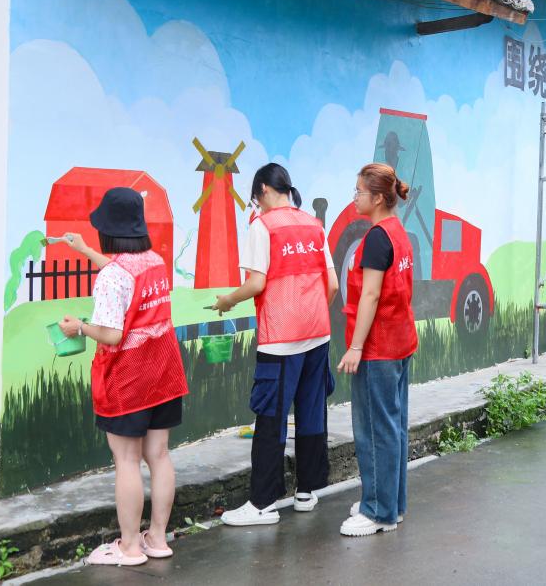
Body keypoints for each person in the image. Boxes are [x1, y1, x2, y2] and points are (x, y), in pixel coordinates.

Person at [56, 187, 188, 566]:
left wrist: (78, 327)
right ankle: (157, 539)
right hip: (163, 370)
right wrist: (84, 251)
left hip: (129, 377)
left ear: (109, 230)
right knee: (159, 455)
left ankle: (129, 547)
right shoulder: (155, 262)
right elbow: (122, 276)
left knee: (127, 461)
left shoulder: (113, 276)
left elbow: (112, 333)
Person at [213, 164, 337, 527]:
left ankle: (263, 502)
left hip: (281, 339)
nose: (258, 206)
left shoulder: (262, 227)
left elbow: (255, 284)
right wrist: (311, 312)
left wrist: (227, 301)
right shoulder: (314, 226)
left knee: (271, 416)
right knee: (312, 412)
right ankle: (306, 491)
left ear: (264, 190)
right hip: (317, 335)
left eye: (257, 199)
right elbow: (331, 284)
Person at [336, 162, 417, 537]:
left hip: (379, 348)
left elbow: (369, 295)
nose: (355, 197)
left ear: (378, 198)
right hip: (400, 342)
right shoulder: (397, 232)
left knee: (374, 429)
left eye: (359, 191)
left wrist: (355, 347)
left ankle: (377, 511)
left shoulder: (376, 238)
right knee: (394, 427)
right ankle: (391, 503)